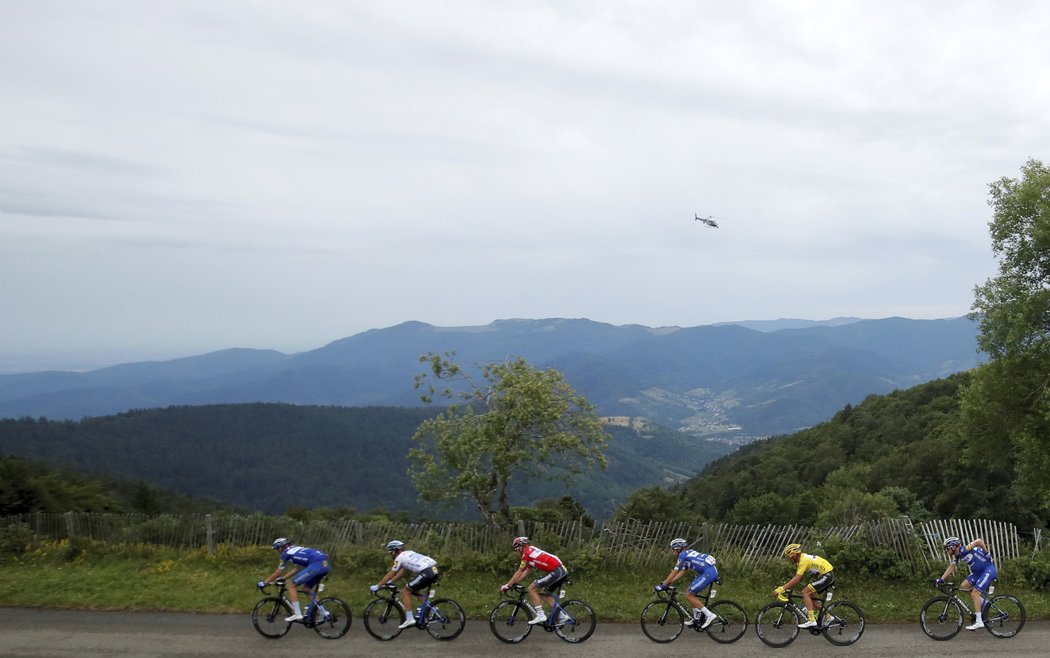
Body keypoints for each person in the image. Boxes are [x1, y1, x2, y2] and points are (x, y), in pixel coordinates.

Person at [369, 540, 441, 629]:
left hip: (426, 572)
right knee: (414, 590)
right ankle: (433, 610)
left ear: (394, 551)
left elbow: (390, 574)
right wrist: (390, 582)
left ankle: (410, 619)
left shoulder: (399, 558)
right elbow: (403, 572)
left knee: (405, 591)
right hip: (433, 570)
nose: (391, 555)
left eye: (391, 553)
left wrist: (378, 586)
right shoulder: (409, 553)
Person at [500, 536, 569, 625]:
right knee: (544, 593)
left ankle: (540, 615)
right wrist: (514, 583)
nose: (516, 552)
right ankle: (562, 615)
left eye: (516, 549)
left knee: (531, 588)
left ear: (521, 547)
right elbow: (526, 570)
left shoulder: (527, 554)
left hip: (556, 571)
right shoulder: (531, 551)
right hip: (560, 571)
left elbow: (519, 571)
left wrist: (507, 585)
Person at [258, 537, 331, 622]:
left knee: (291, 585)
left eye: (277, 549)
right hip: (325, 565)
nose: (277, 551)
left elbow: (279, 571)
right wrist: (283, 578)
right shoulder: (297, 549)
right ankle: (324, 613)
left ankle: (297, 613)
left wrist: (265, 582)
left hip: (315, 565)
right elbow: (298, 568)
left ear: (281, 547)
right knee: (306, 589)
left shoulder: (285, 553)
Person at [653, 538, 719, 629]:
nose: (672, 552)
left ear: (678, 548)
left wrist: (663, 586)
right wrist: (668, 582)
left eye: (673, 549)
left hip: (708, 573)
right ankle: (696, 618)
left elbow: (675, 571)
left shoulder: (683, 555)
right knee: (689, 592)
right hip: (708, 571)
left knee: (689, 595)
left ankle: (710, 615)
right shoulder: (688, 553)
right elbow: (682, 572)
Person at [938, 536, 997, 630]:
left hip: (987, 570)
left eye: (947, 548)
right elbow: (952, 567)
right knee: (964, 586)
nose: (947, 551)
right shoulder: (958, 555)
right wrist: (941, 579)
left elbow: (979, 541)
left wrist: (986, 553)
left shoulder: (965, 549)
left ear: (953, 547)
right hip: (978, 572)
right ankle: (984, 605)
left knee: (974, 593)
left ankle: (979, 621)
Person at [775, 543, 834, 629]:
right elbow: (797, 578)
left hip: (826, 575)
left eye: (790, 557)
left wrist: (782, 588)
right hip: (825, 575)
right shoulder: (801, 560)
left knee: (805, 593)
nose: (789, 559)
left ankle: (812, 620)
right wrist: (786, 587)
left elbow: (797, 579)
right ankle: (828, 616)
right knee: (810, 596)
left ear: (795, 554)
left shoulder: (803, 560)